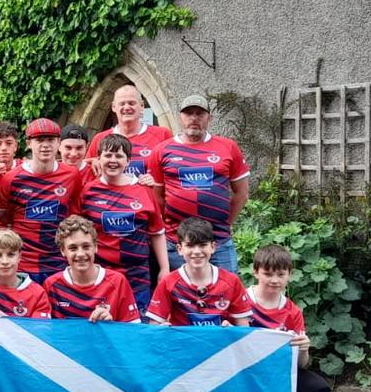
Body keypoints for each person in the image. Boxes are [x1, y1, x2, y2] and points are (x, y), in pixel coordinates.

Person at [247, 244, 328, 392]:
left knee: (319, 389)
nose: (274, 280)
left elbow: (301, 365)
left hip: (279, 372)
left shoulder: (293, 312)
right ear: (256, 272)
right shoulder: (241, 300)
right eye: (268, 273)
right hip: (244, 373)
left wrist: (304, 348)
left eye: (281, 274)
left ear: (289, 276)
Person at [148, 94, 250, 272]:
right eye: (188, 114)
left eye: (199, 114)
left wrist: (226, 223)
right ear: (180, 117)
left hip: (218, 242)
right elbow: (157, 197)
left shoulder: (228, 147)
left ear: (209, 118)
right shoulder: (162, 150)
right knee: (180, 297)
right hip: (177, 243)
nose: (193, 118)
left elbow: (241, 193)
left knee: (225, 295)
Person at [77, 133, 169, 312]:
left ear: (128, 161)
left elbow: (157, 233)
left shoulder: (144, 190)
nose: (113, 160)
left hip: (137, 276)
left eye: (119, 156)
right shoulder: (88, 191)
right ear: (99, 158)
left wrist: (164, 268)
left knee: (137, 327)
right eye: (108, 155)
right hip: (100, 274)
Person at [0, 118, 83, 283]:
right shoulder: (11, 178)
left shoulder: (72, 175)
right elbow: (0, 217)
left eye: (50, 140)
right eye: (40, 140)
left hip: (59, 262)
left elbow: (74, 216)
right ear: (28, 143)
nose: (45, 145)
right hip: (23, 264)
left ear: (58, 143)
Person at [144, 217, 253, 327]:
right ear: (179, 249)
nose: (196, 251)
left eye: (202, 245)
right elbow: (154, 326)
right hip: (182, 343)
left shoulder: (231, 281)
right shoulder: (168, 282)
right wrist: (161, 331)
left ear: (213, 247)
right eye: (190, 245)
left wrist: (232, 330)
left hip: (220, 343)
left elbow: (243, 329)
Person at [44, 215, 140, 322]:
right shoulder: (52, 285)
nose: (80, 254)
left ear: (96, 247)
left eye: (86, 246)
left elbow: (132, 331)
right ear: (63, 250)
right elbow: (44, 332)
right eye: (73, 248)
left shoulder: (117, 282)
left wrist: (111, 326)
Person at [92, 83, 172, 179]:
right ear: (114, 107)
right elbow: (88, 170)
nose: (126, 107)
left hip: (148, 194)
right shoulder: (100, 139)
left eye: (131, 103)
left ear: (142, 105)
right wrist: (93, 161)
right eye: (122, 103)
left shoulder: (162, 134)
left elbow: (173, 171)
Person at [0, 228, 52, 318]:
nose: (5, 261)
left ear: (19, 257)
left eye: (11, 254)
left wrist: (3, 317)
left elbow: (40, 330)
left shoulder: (38, 294)